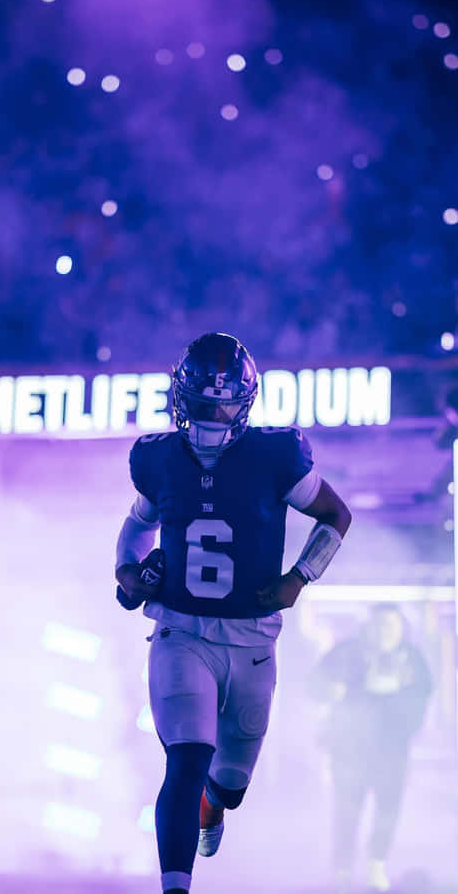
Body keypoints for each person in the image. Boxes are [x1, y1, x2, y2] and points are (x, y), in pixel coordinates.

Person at [115, 332, 352, 894]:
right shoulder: (158, 458)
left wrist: (300, 577)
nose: (211, 412)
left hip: (252, 640)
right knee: (187, 757)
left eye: (222, 402)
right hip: (182, 631)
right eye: (201, 400)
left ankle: (214, 807)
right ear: (181, 397)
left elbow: (336, 515)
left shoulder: (277, 456)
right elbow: (134, 529)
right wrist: (128, 573)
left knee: (230, 782)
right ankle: (176, 887)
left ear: (244, 404)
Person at [307, 603, 433, 893]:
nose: (383, 633)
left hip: (392, 751)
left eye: (390, 627)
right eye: (378, 626)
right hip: (348, 750)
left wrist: (399, 707)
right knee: (347, 810)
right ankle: (342, 868)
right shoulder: (347, 653)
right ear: (367, 628)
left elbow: (421, 697)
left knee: (388, 809)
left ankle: (377, 864)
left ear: (402, 630)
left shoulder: (411, 659)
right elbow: (314, 684)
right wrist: (330, 690)